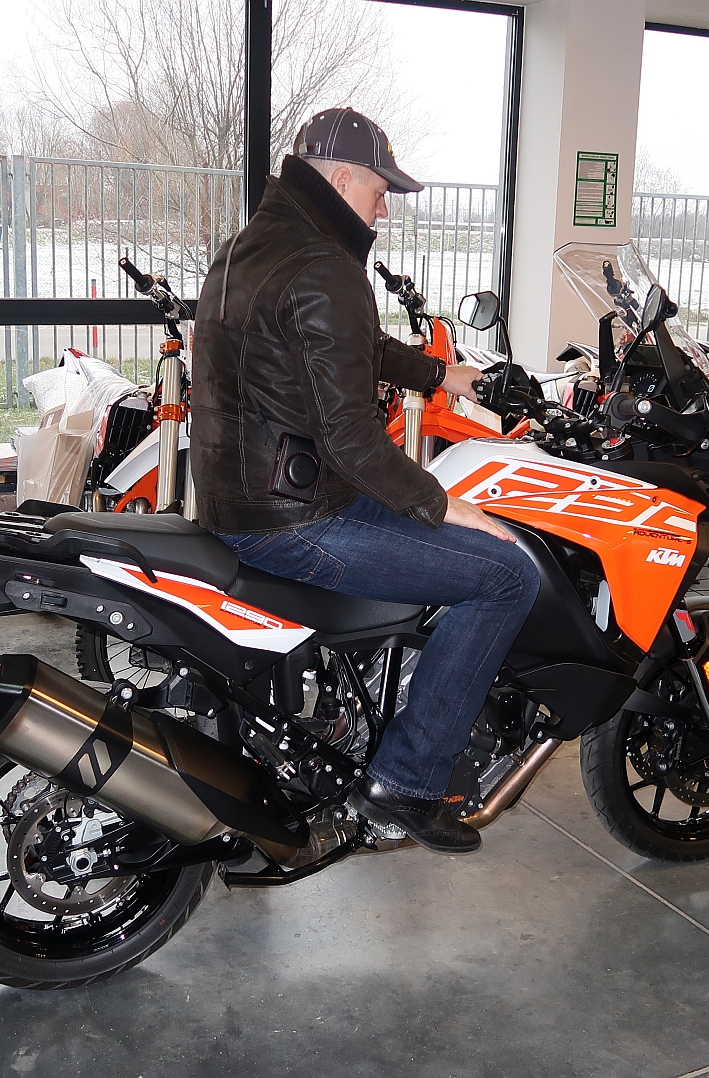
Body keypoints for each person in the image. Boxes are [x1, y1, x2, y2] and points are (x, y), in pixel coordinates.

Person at [191, 108, 538, 856]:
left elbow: (351, 346)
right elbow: (350, 438)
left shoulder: (252, 244)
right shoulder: (325, 265)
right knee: (509, 574)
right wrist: (443, 504)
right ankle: (408, 780)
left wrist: (444, 375)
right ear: (344, 177)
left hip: (236, 501)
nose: (385, 210)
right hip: (299, 518)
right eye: (382, 192)